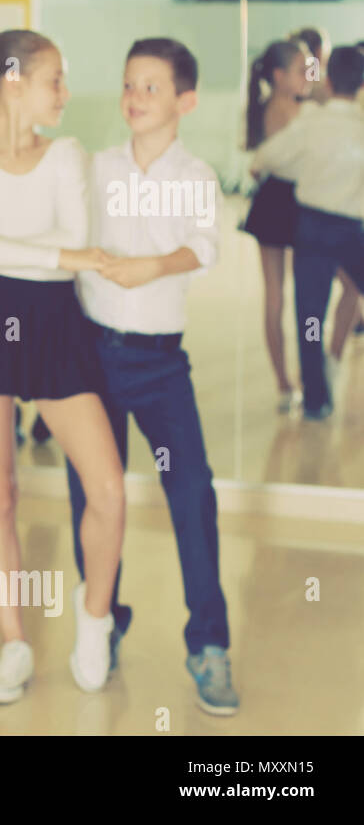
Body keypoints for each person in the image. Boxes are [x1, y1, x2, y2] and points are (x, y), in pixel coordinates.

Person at [0, 30, 126, 703]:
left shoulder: (67, 153)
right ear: (14, 80)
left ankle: (94, 618)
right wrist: (57, 257)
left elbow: (61, 238)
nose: (66, 94)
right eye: (56, 80)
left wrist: (3, 249)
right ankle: (13, 644)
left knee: (108, 488)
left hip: (54, 323)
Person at [69, 38, 237, 715]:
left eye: (153, 87)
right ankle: (103, 620)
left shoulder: (196, 175)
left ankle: (209, 644)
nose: (136, 97)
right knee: (94, 496)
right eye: (130, 85)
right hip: (90, 357)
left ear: (185, 102)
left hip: (160, 364)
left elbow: (204, 246)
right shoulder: (95, 167)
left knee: (191, 491)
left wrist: (151, 267)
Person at [253, 45, 364, 420]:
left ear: (329, 81)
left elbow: (267, 156)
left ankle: (315, 398)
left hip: (313, 228)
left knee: (311, 316)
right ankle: (322, 376)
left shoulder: (312, 122)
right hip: (353, 229)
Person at [242, 40, 308, 411]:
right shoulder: (297, 111)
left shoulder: (266, 106)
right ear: (280, 77)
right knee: (301, 297)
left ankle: (284, 383)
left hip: (269, 203)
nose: (309, 78)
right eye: (303, 70)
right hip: (295, 204)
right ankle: (305, 374)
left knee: (275, 296)